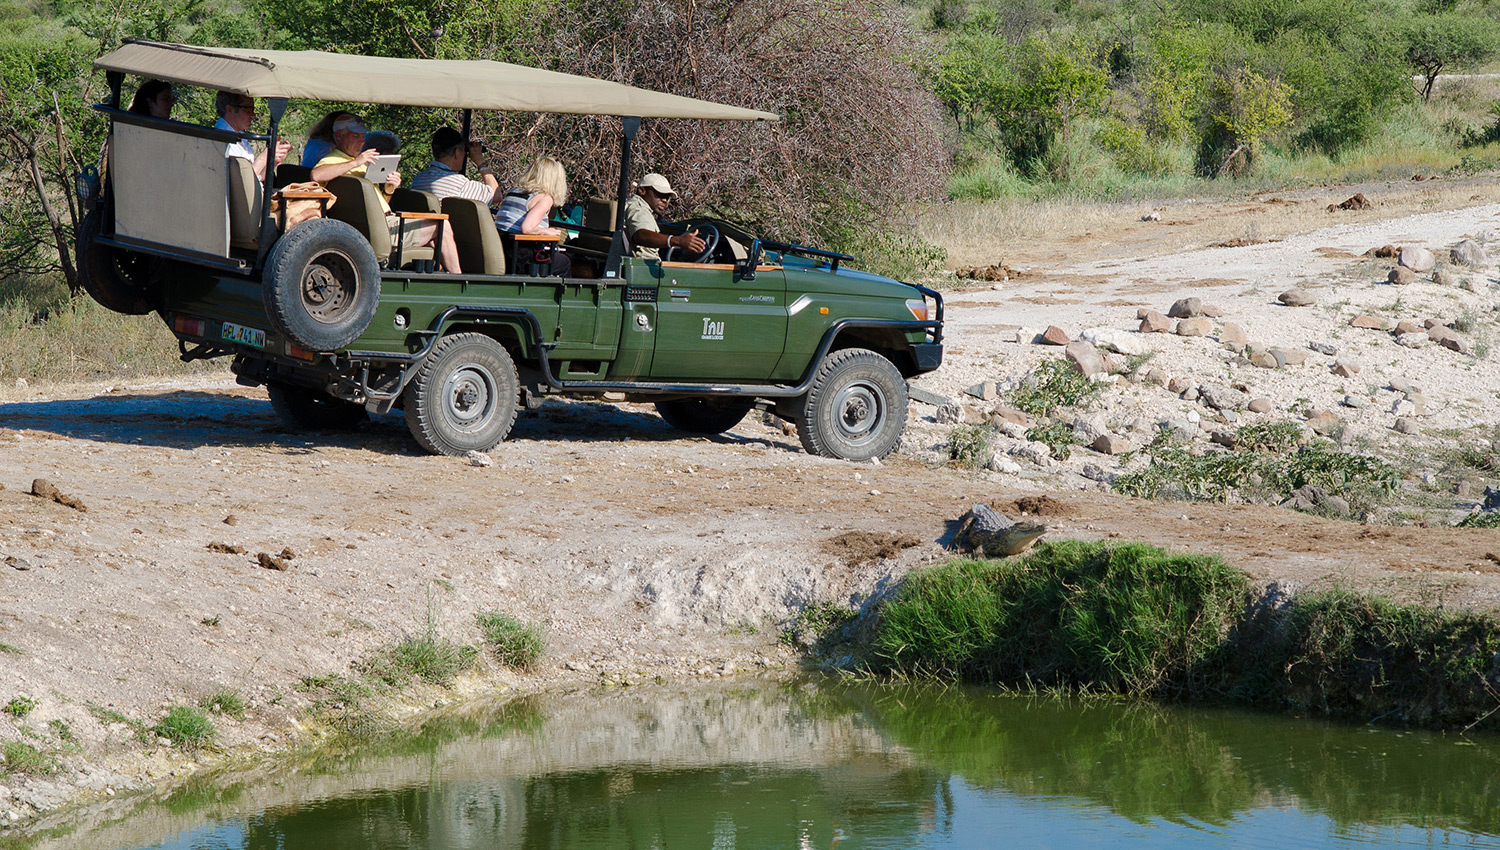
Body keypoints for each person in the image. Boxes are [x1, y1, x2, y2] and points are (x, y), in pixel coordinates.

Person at [310, 114, 462, 274]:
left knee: (435, 240)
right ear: (339, 136)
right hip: (379, 230)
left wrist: (389, 189)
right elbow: (316, 175)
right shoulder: (334, 160)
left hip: (381, 223)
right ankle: (460, 280)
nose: (361, 141)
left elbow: (378, 205)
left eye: (362, 136)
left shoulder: (354, 164)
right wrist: (356, 162)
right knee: (442, 226)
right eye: (355, 136)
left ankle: (443, 280)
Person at [493, 156, 571, 277]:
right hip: (519, 257)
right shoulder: (545, 198)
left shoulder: (514, 191)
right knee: (564, 262)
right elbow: (528, 228)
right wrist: (548, 232)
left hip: (499, 251)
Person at [410, 126, 502, 205]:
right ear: (457, 152)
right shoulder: (460, 184)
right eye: (464, 151)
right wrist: (480, 162)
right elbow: (496, 195)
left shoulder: (418, 180)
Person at [623, 173, 705, 260]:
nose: (664, 200)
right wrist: (677, 241)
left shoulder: (631, 205)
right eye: (659, 194)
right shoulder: (639, 209)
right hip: (642, 266)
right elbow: (640, 235)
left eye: (667, 197)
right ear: (642, 190)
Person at [214, 91, 291, 180]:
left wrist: (272, 160)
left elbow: (257, 177)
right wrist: (264, 157)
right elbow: (243, 182)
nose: (253, 115)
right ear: (230, 110)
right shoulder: (223, 140)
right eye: (248, 109)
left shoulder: (238, 135)